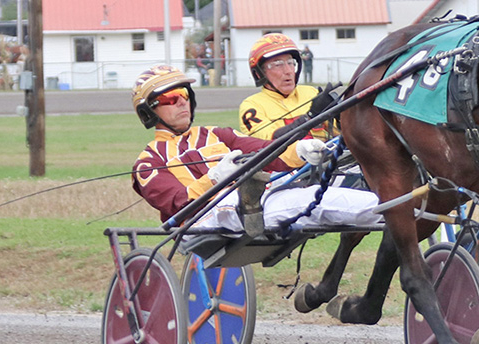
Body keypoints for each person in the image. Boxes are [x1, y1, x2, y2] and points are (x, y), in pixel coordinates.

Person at [130, 64, 380, 231]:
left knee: (323, 188)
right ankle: (396, 212)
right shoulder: (147, 162)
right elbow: (176, 203)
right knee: (307, 199)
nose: (182, 102)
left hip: (252, 202)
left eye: (185, 94)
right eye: (170, 99)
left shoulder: (216, 134)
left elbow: (267, 151)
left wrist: (300, 151)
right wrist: (214, 178)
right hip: (203, 217)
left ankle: (397, 208)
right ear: (149, 111)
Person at [238, 33, 339, 167]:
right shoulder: (251, 106)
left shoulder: (311, 93)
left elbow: (341, 133)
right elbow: (270, 142)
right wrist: (310, 117)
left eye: (291, 63)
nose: (288, 71)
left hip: (325, 167)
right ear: (259, 73)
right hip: (283, 174)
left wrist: (340, 114)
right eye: (278, 64)